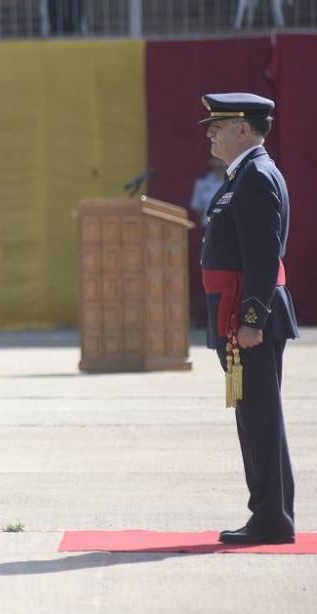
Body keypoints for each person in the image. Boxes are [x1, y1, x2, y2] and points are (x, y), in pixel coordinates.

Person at [199, 92, 299, 545]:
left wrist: (254, 320)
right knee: (255, 416)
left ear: (243, 128)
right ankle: (268, 513)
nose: (209, 132)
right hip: (236, 314)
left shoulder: (255, 176)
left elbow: (263, 256)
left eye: (217, 125)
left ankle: (271, 519)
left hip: (249, 318)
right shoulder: (243, 175)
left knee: (260, 417)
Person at [189, 155, 226, 227]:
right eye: (217, 160)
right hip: (208, 227)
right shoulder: (202, 182)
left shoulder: (234, 182)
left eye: (223, 160)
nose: (221, 163)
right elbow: (198, 209)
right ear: (211, 161)